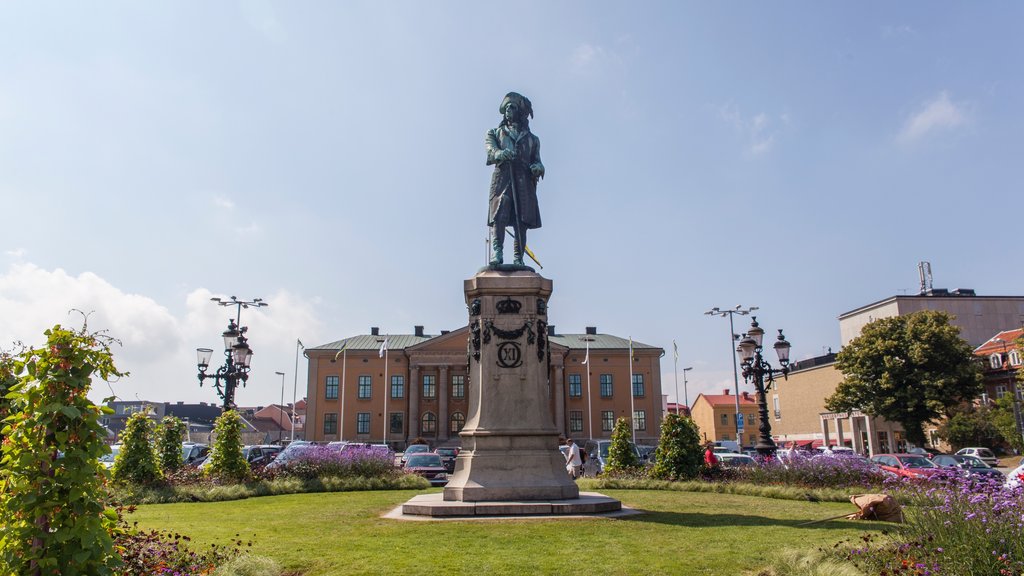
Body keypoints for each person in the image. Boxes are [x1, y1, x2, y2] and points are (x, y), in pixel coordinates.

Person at [485, 91, 545, 266]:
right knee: (500, 214)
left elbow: (539, 162)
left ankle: (519, 257)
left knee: (521, 221)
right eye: (507, 107)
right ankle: (498, 253)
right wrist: (500, 153)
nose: (508, 110)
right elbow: (490, 151)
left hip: (524, 183)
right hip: (502, 181)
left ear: (519, 112)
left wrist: (537, 168)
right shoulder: (495, 133)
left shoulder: (533, 140)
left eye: (512, 107)